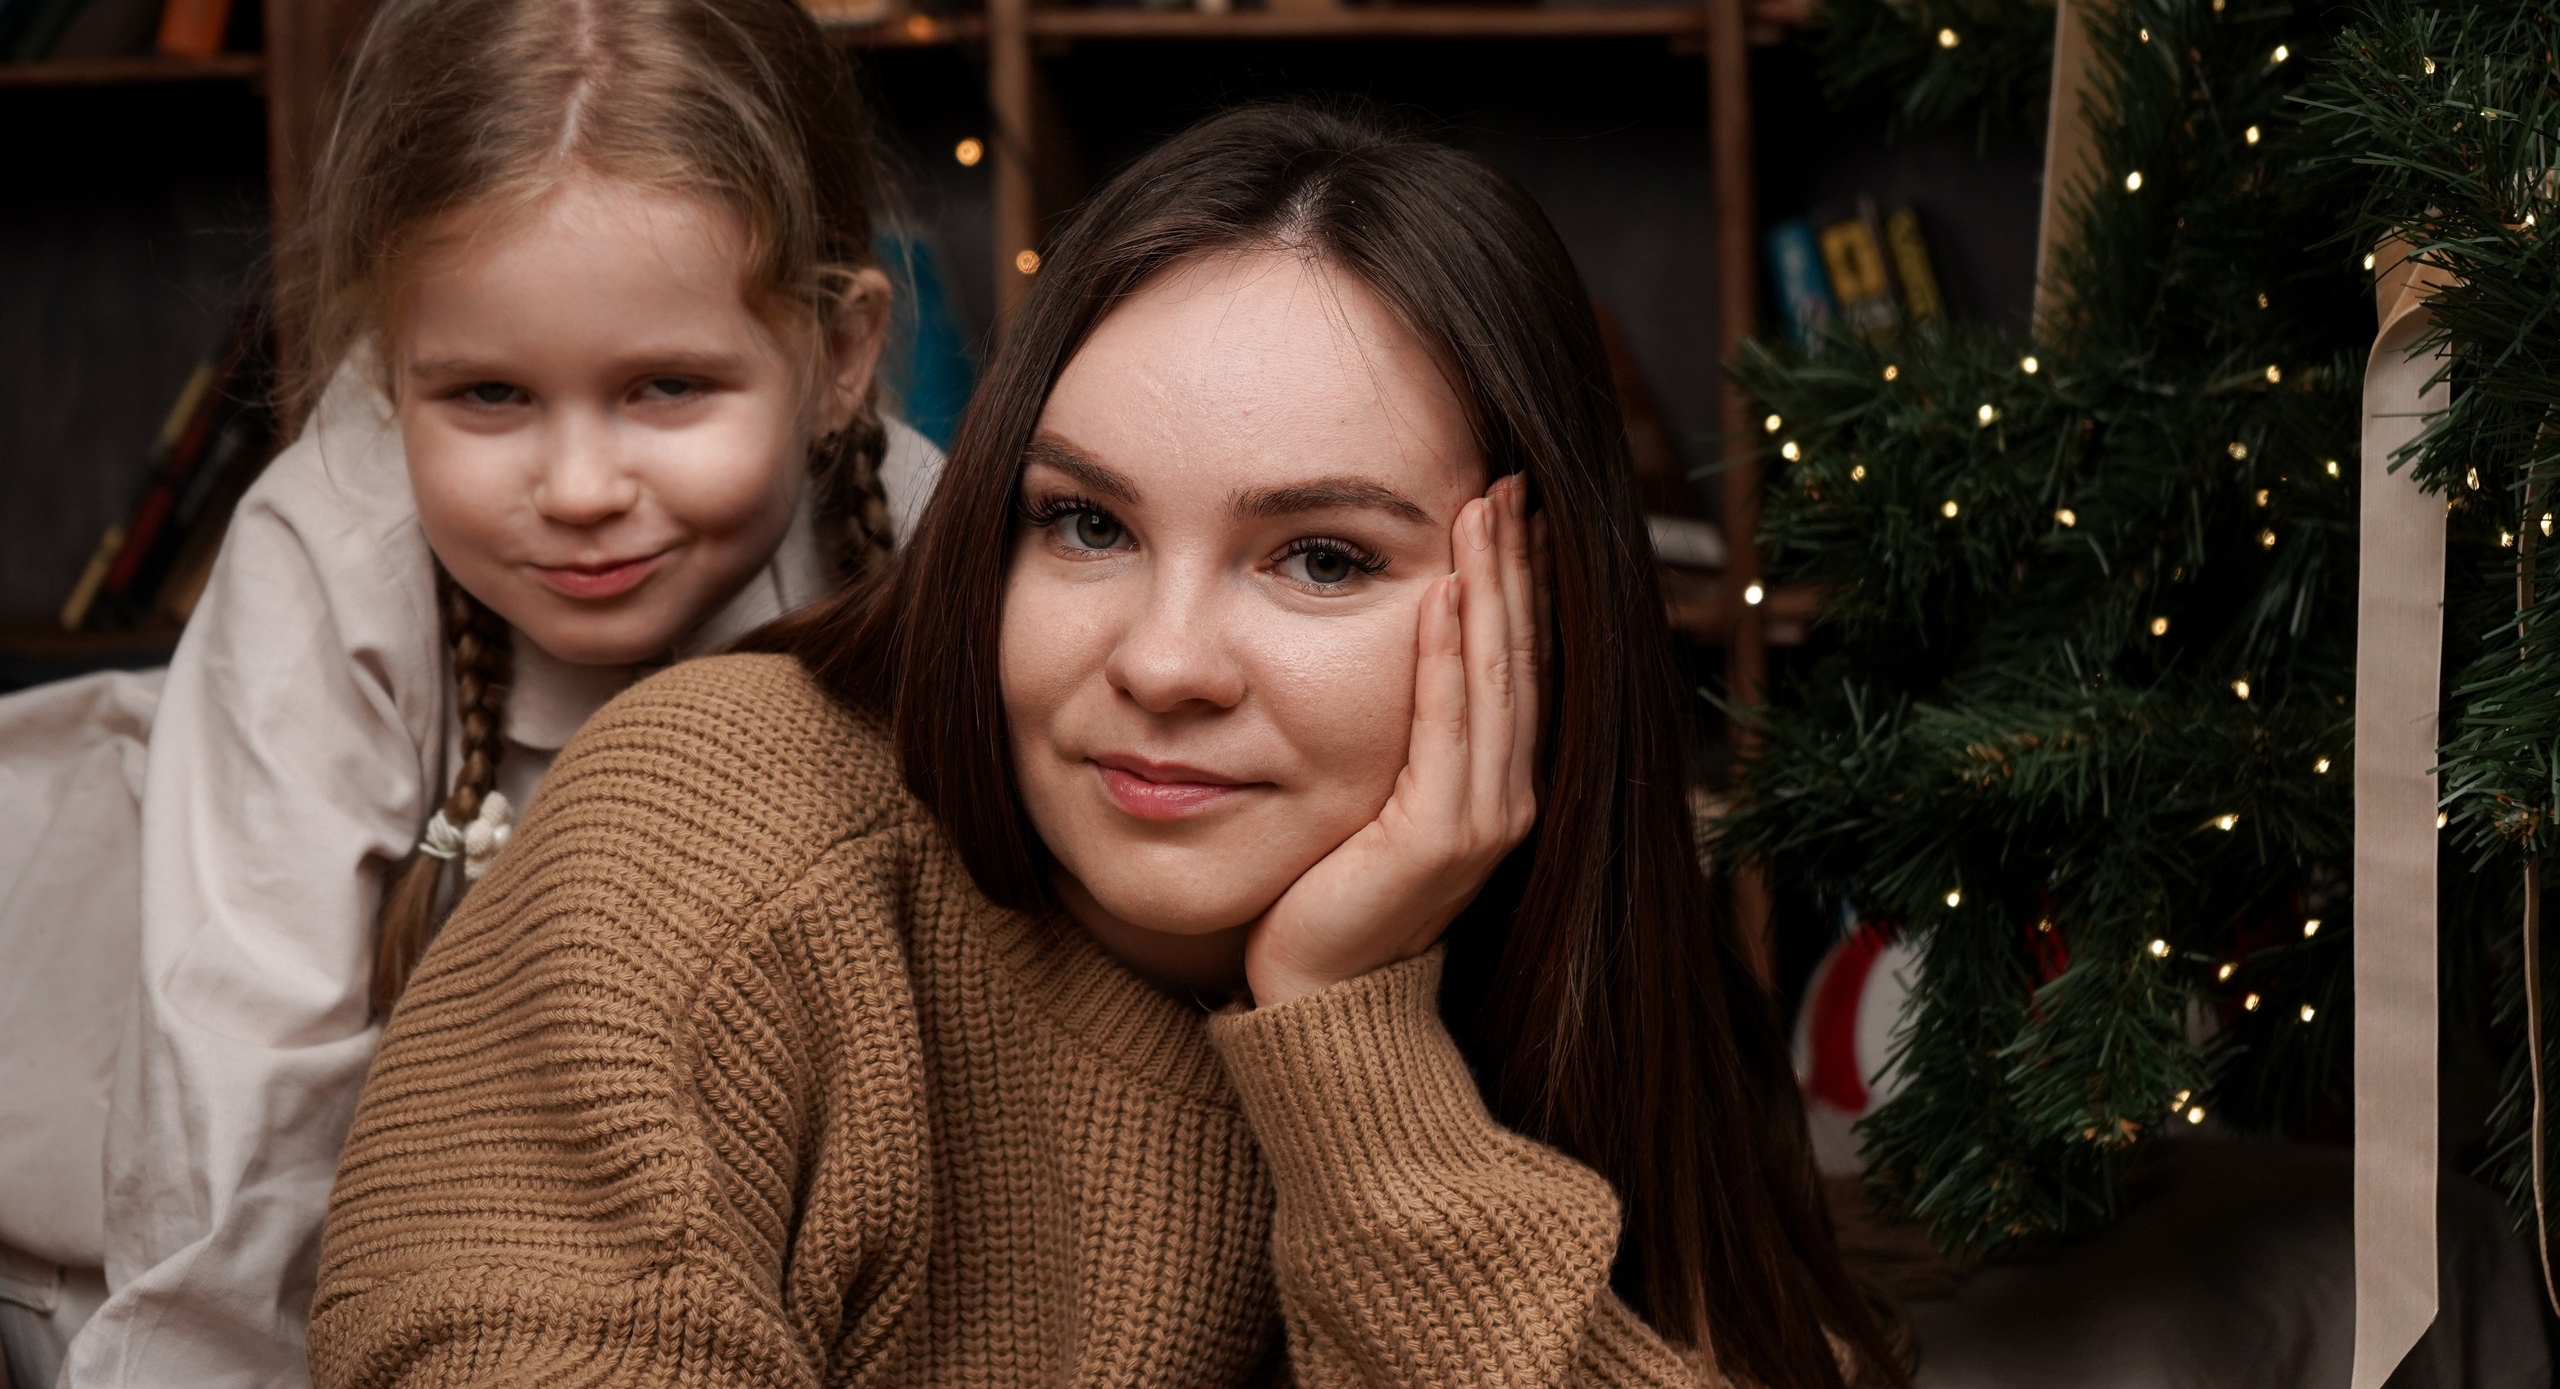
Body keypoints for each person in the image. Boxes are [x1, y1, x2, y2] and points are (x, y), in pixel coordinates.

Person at [307, 103, 1900, 1388]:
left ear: (1531, 613)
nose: (1163, 662)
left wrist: (1352, 1053)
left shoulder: (1599, 956)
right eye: (1085, 524)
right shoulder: (716, 831)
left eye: (1322, 558)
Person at [52, 0, 943, 1389]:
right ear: (393, 365)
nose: (580, 487)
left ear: (838, 357)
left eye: (668, 387)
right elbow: (237, 1126)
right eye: (485, 396)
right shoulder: (328, 557)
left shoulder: (926, 548)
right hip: (241, 1163)